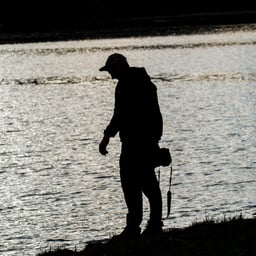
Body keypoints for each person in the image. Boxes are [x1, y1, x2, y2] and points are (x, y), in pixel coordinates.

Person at [99, 53, 163, 239]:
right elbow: (123, 114)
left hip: (138, 142)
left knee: (139, 184)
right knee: (139, 183)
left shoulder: (129, 85)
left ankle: (144, 226)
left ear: (120, 67)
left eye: (111, 70)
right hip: (139, 141)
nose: (110, 74)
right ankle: (146, 225)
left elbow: (120, 115)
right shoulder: (139, 83)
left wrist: (106, 137)